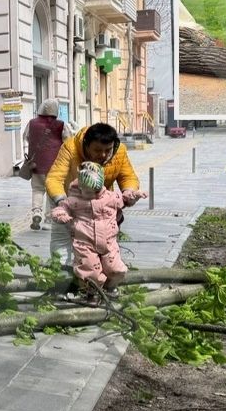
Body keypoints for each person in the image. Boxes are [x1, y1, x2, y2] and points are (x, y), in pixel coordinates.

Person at [44, 123, 145, 268]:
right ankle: (62, 276)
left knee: (104, 241)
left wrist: (129, 192)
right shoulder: (70, 147)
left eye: (107, 150)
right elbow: (54, 178)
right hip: (66, 199)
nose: (103, 155)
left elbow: (127, 176)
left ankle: (102, 279)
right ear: (86, 144)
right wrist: (62, 202)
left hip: (100, 203)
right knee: (63, 239)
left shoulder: (120, 151)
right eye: (97, 150)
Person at [51, 161, 139, 299]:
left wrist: (133, 196)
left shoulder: (110, 197)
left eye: (95, 191)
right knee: (89, 271)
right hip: (84, 243)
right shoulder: (74, 201)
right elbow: (61, 207)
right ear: (80, 187)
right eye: (86, 191)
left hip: (109, 242)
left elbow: (124, 199)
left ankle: (110, 287)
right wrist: (60, 214)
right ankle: (90, 292)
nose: (90, 194)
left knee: (116, 268)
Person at [23, 98, 73, 230]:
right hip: (55, 165)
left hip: (36, 164)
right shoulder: (61, 125)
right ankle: (49, 218)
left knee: (37, 189)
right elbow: (69, 142)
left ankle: (36, 212)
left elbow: (27, 137)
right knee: (52, 191)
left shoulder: (31, 123)